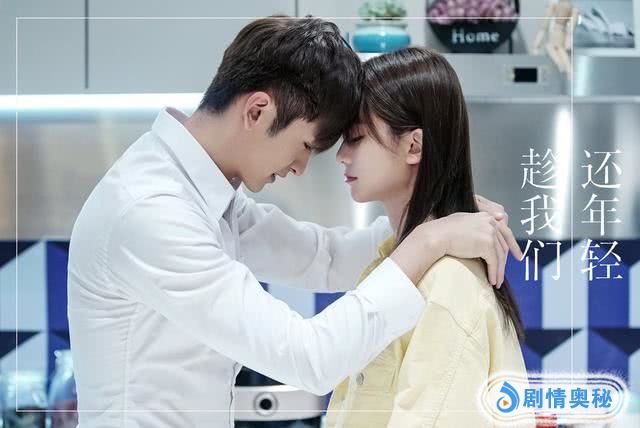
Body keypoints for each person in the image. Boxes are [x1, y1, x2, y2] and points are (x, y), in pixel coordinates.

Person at [67, 17, 521, 427]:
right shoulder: (152, 212)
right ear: (257, 111)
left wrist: (437, 215)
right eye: (306, 145)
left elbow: (326, 258)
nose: (302, 167)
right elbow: (309, 358)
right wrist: (431, 238)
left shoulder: (206, 197)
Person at [325, 47, 531, 428]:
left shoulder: (449, 284)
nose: (341, 154)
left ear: (413, 146)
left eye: (355, 137)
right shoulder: (395, 263)